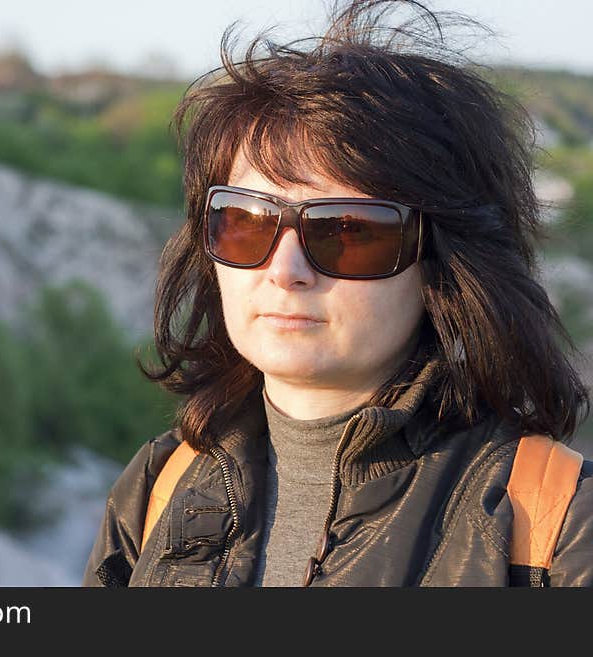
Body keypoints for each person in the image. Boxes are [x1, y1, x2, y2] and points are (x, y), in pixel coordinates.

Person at [82, 0, 593, 587]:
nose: (285, 269)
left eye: (349, 231)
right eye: (247, 222)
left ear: (442, 264)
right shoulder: (158, 489)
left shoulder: (555, 523)